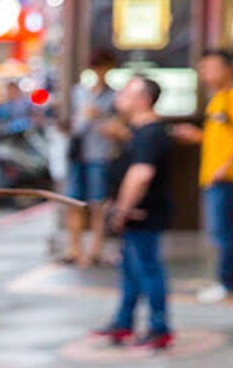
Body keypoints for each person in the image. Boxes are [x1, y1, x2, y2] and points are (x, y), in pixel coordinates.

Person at [168, 50, 233, 303]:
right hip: (215, 175)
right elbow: (222, 137)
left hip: (228, 177)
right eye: (203, 68)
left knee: (222, 231)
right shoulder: (218, 99)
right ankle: (231, 283)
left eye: (210, 67)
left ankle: (230, 284)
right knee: (222, 231)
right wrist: (197, 136)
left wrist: (226, 165)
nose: (205, 74)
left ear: (229, 69)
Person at [96, 76, 174, 350]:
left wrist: (122, 209)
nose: (119, 99)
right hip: (135, 215)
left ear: (143, 100)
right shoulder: (138, 132)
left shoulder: (150, 133)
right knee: (130, 269)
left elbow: (140, 175)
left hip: (143, 214)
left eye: (126, 94)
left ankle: (159, 327)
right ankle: (123, 322)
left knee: (148, 269)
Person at [62, 51, 121, 268]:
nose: (100, 73)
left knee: (98, 203)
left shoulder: (114, 96)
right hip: (79, 153)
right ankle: (74, 248)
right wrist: (85, 118)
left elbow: (117, 127)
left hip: (101, 154)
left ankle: (95, 249)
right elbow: (74, 125)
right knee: (73, 202)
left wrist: (101, 117)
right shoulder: (79, 92)